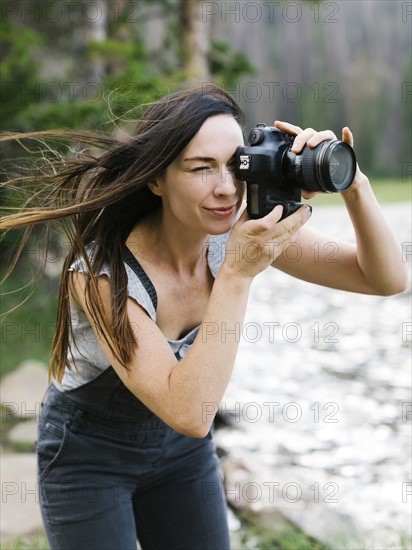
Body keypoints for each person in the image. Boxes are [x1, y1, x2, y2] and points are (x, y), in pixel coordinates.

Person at [0, 84, 407, 550]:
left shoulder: (238, 230)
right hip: (90, 455)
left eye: (235, 167)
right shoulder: (101, 277)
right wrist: (236, 275)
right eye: (200, 169)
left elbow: (384, 279)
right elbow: (189, 412)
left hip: (180, 455)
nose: (226, 188)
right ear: (156, 180)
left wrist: (353, 184)